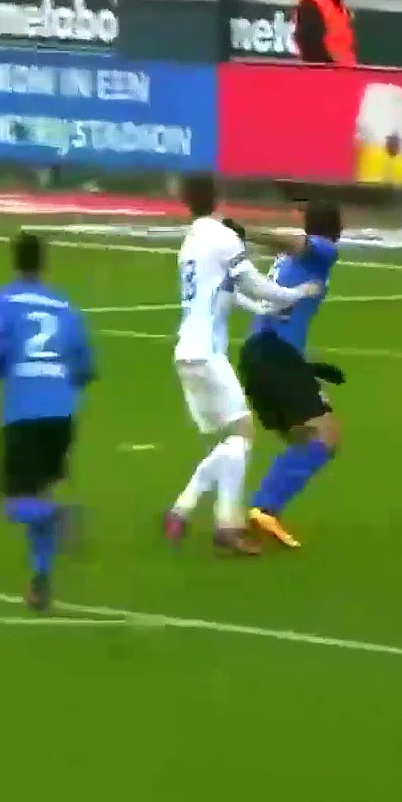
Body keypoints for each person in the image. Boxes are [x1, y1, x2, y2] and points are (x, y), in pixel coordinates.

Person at [163, 176, 321, 554]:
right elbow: (252, 283)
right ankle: (227, 527)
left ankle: (182, 508)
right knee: (243, 435)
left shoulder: (190, 244)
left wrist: (266, 309)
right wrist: (295, 294)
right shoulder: (223, 237)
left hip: (186, 352)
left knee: (232, 439)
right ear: (216, 198)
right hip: (206, 353)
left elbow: (227, 294)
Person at [0, 232, 95, 610]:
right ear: (45, 263)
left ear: (15, 261)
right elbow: (87, 366)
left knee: (14, 502)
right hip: (62, 415)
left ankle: (58, 517)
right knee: (39, 491)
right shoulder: (65, 305)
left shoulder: (3, 300)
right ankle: (40, 582)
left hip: (23, 413)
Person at [237, 202, 346, 549]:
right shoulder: (323, 251)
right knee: (326, 435)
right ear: (337, 228)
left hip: (257, 355)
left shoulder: (287, 263)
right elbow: (299, 242)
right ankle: (264, 508)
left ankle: (263, 510)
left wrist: (307, 366)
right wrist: (246, 233)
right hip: (274, 355)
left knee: (304, 436)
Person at [293, 0, 356, 65]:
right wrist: (325, 65)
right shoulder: (312, 0)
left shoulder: (337, 3)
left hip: (344, 66)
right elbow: (309, 41)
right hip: (326, 68)